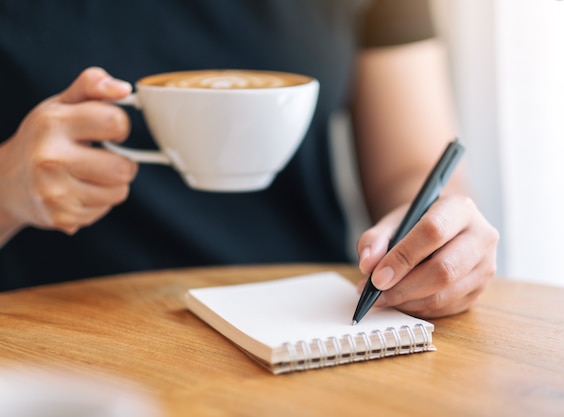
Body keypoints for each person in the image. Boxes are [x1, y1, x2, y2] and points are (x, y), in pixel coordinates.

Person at [0, 0, 498, 318]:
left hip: (304, 327)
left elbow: (411, 169)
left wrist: (439, 237)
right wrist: (7, 188)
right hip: (52, 343)